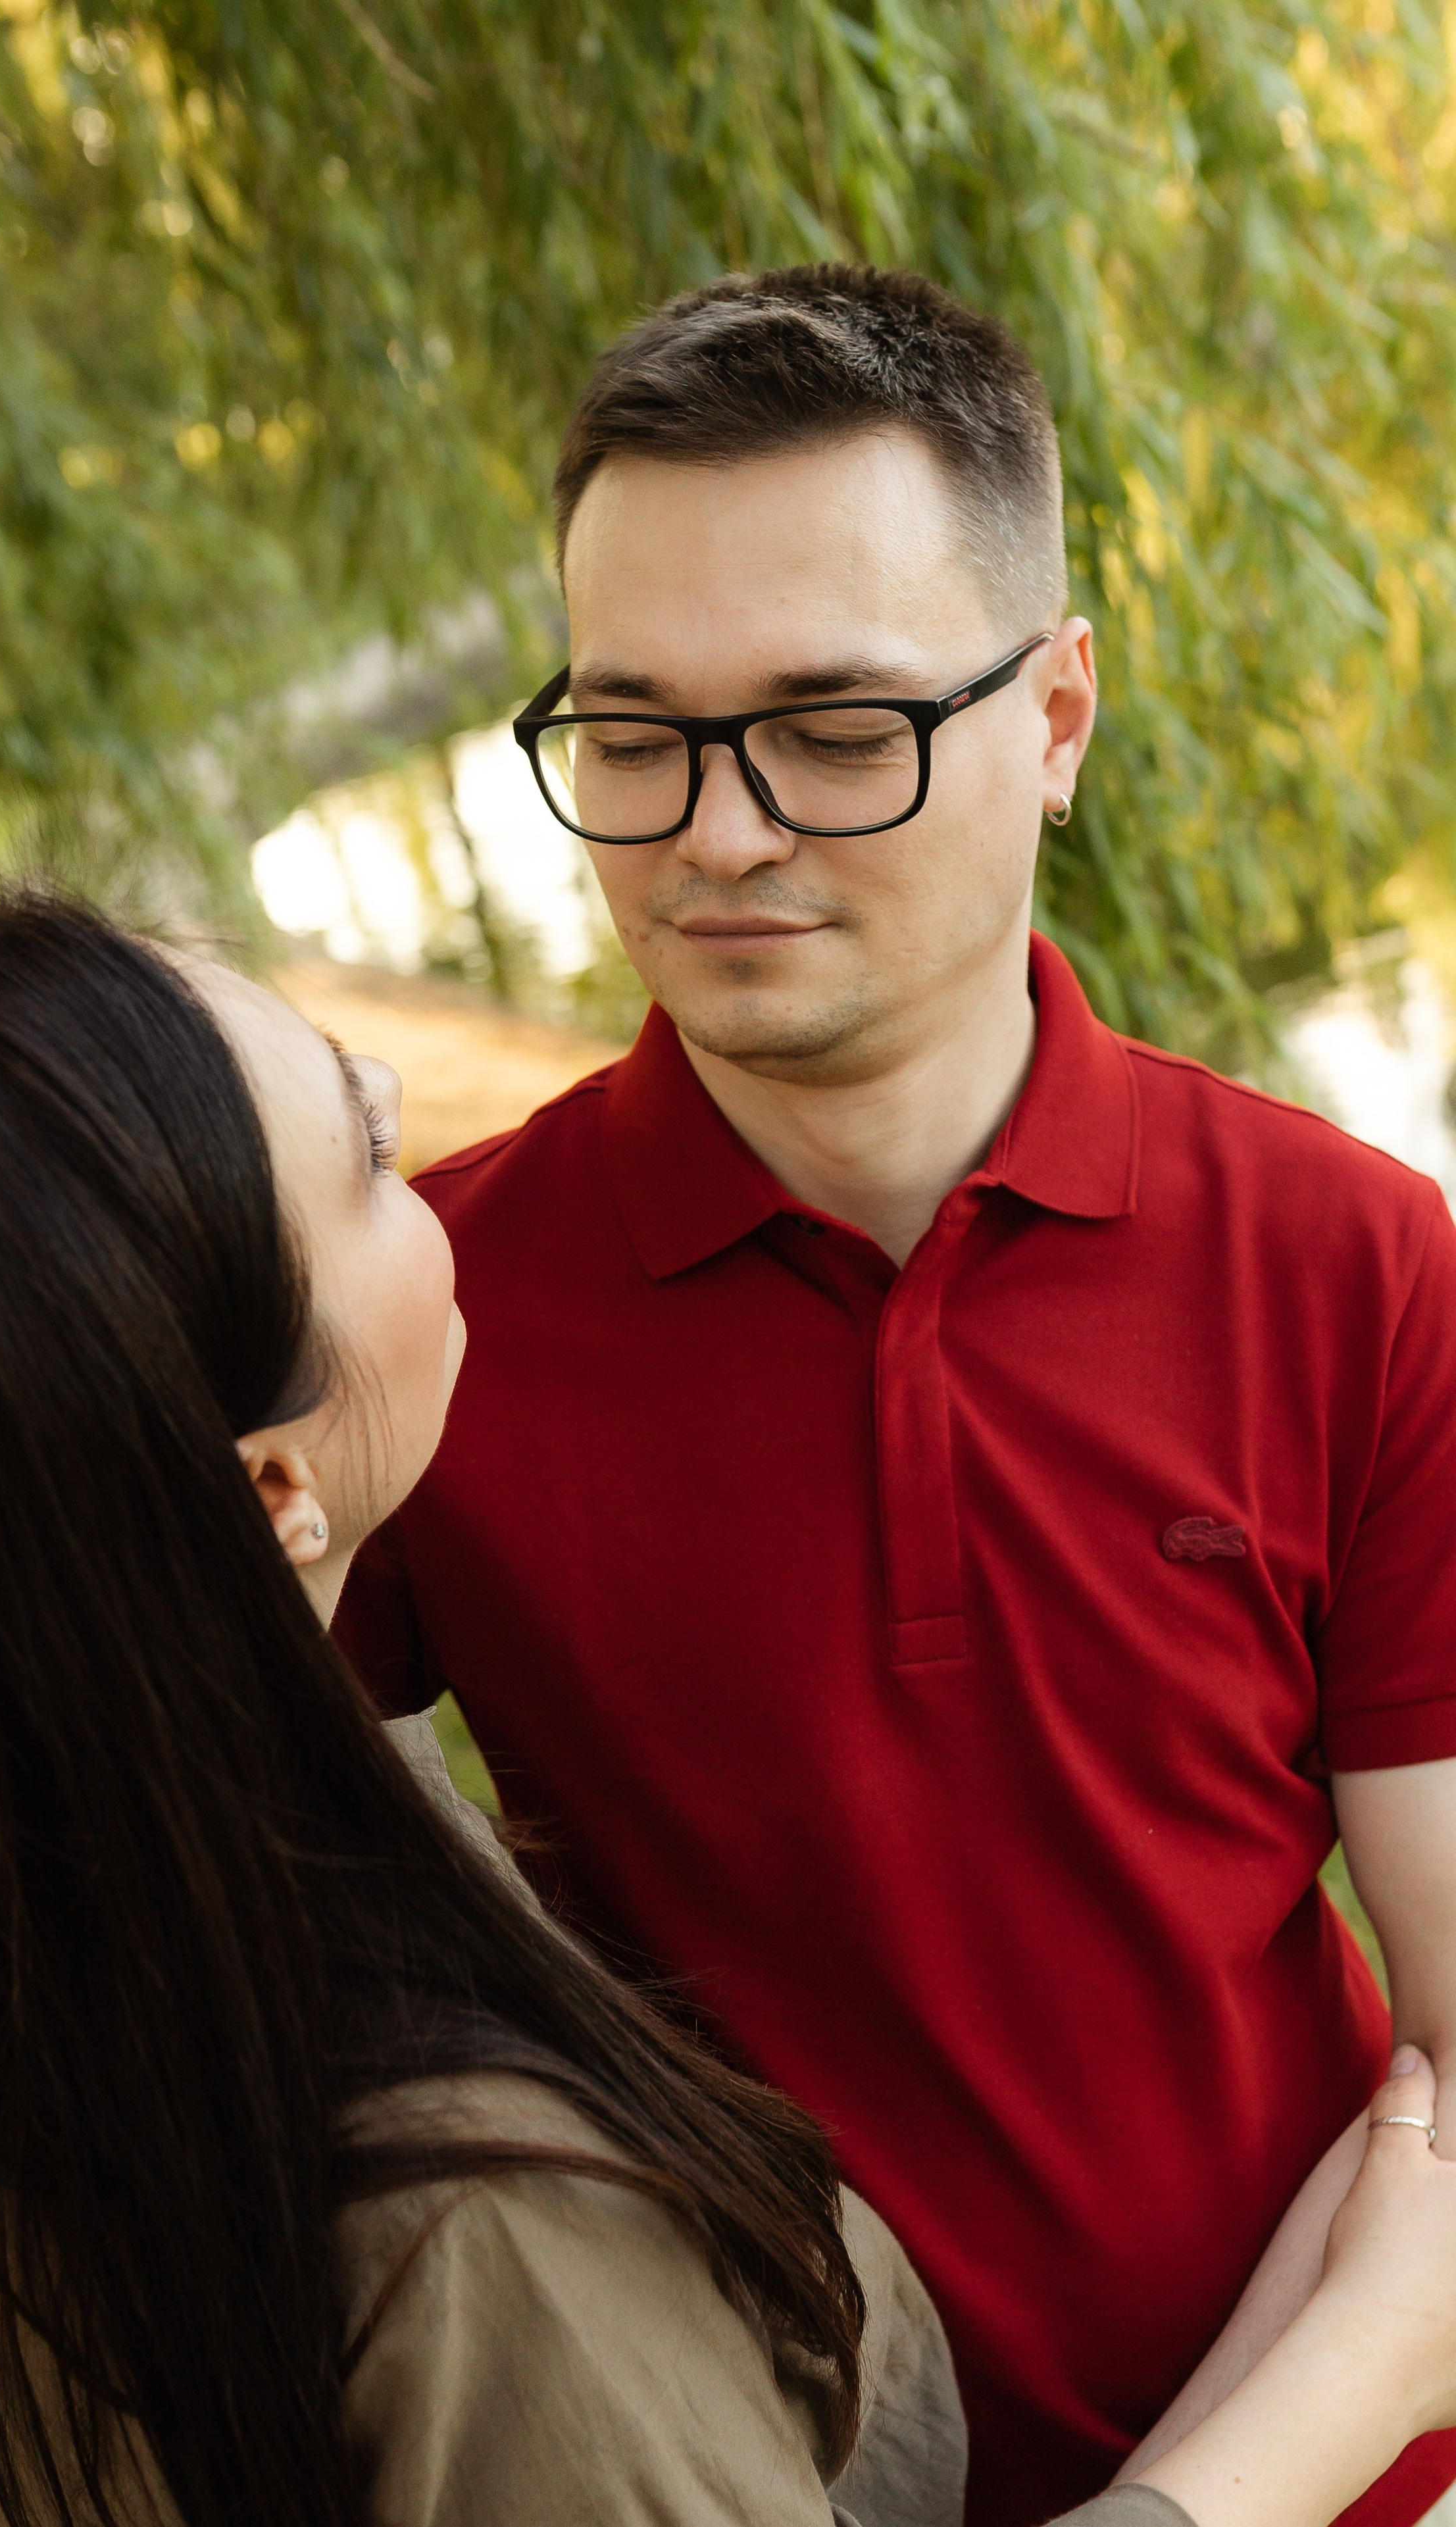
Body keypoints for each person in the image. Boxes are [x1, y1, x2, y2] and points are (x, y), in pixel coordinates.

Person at [0, 893, 1456, 2527]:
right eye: (363, 1158)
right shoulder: (488, 2237)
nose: (408, 1128)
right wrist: (1361, 2368)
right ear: (279, 1484)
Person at [334, 263, 1456, 2527]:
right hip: (734, 2480)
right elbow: (253, 2000)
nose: (717, 836)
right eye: (632, 734)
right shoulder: (417, 1302)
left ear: (1057, 714)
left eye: (837, 728)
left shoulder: (1354, 1264)